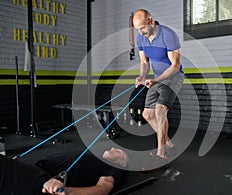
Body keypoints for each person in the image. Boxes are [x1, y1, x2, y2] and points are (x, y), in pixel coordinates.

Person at [133, 9, 184, 160]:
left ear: (150, 21)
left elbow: (175, 66)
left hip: (173, 77)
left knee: (160, 111)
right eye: (137, 29)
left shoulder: (168, 35)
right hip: (157, 78)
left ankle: (160, 153)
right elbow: (144, 62)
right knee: (147, 114)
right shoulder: (140, 38)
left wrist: (156, 80)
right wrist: (142, 76)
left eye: (142, 28)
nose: (140, 32)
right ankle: (168, 143)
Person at [0, 147, 128, 195]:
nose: (112, 147)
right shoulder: (94, 156)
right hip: (30, 172)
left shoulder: (114, 168)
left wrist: (67, 191)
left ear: (122, 162)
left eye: (118, 151)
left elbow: (102, 189)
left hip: (41, 182)